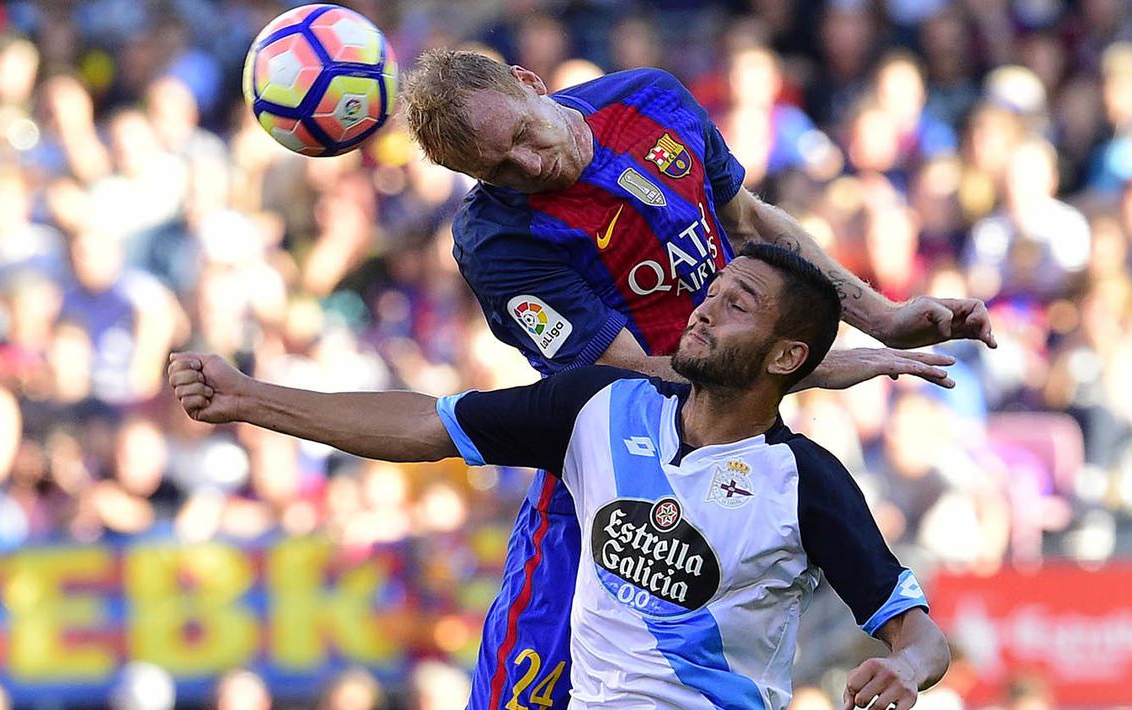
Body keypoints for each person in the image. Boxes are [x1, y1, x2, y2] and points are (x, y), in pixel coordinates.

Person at [400, 49, 985, 710]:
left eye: (520, 138)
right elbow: (637, 374)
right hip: (601, 477)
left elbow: (752, 224)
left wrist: (880, 317)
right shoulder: (497, 242)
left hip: (731, 452)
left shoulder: (651, 102)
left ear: (530, 84)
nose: (528, 167)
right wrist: (811, 369)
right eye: (497, 169)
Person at [167, 243, 950, 710]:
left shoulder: (804, 479)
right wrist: (249, 398)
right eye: (708, 295)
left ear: (785, 357)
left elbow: (918, 630)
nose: (704, 312)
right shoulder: (600, 407)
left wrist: (904, 668)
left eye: (736, 305)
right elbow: (422, 424)